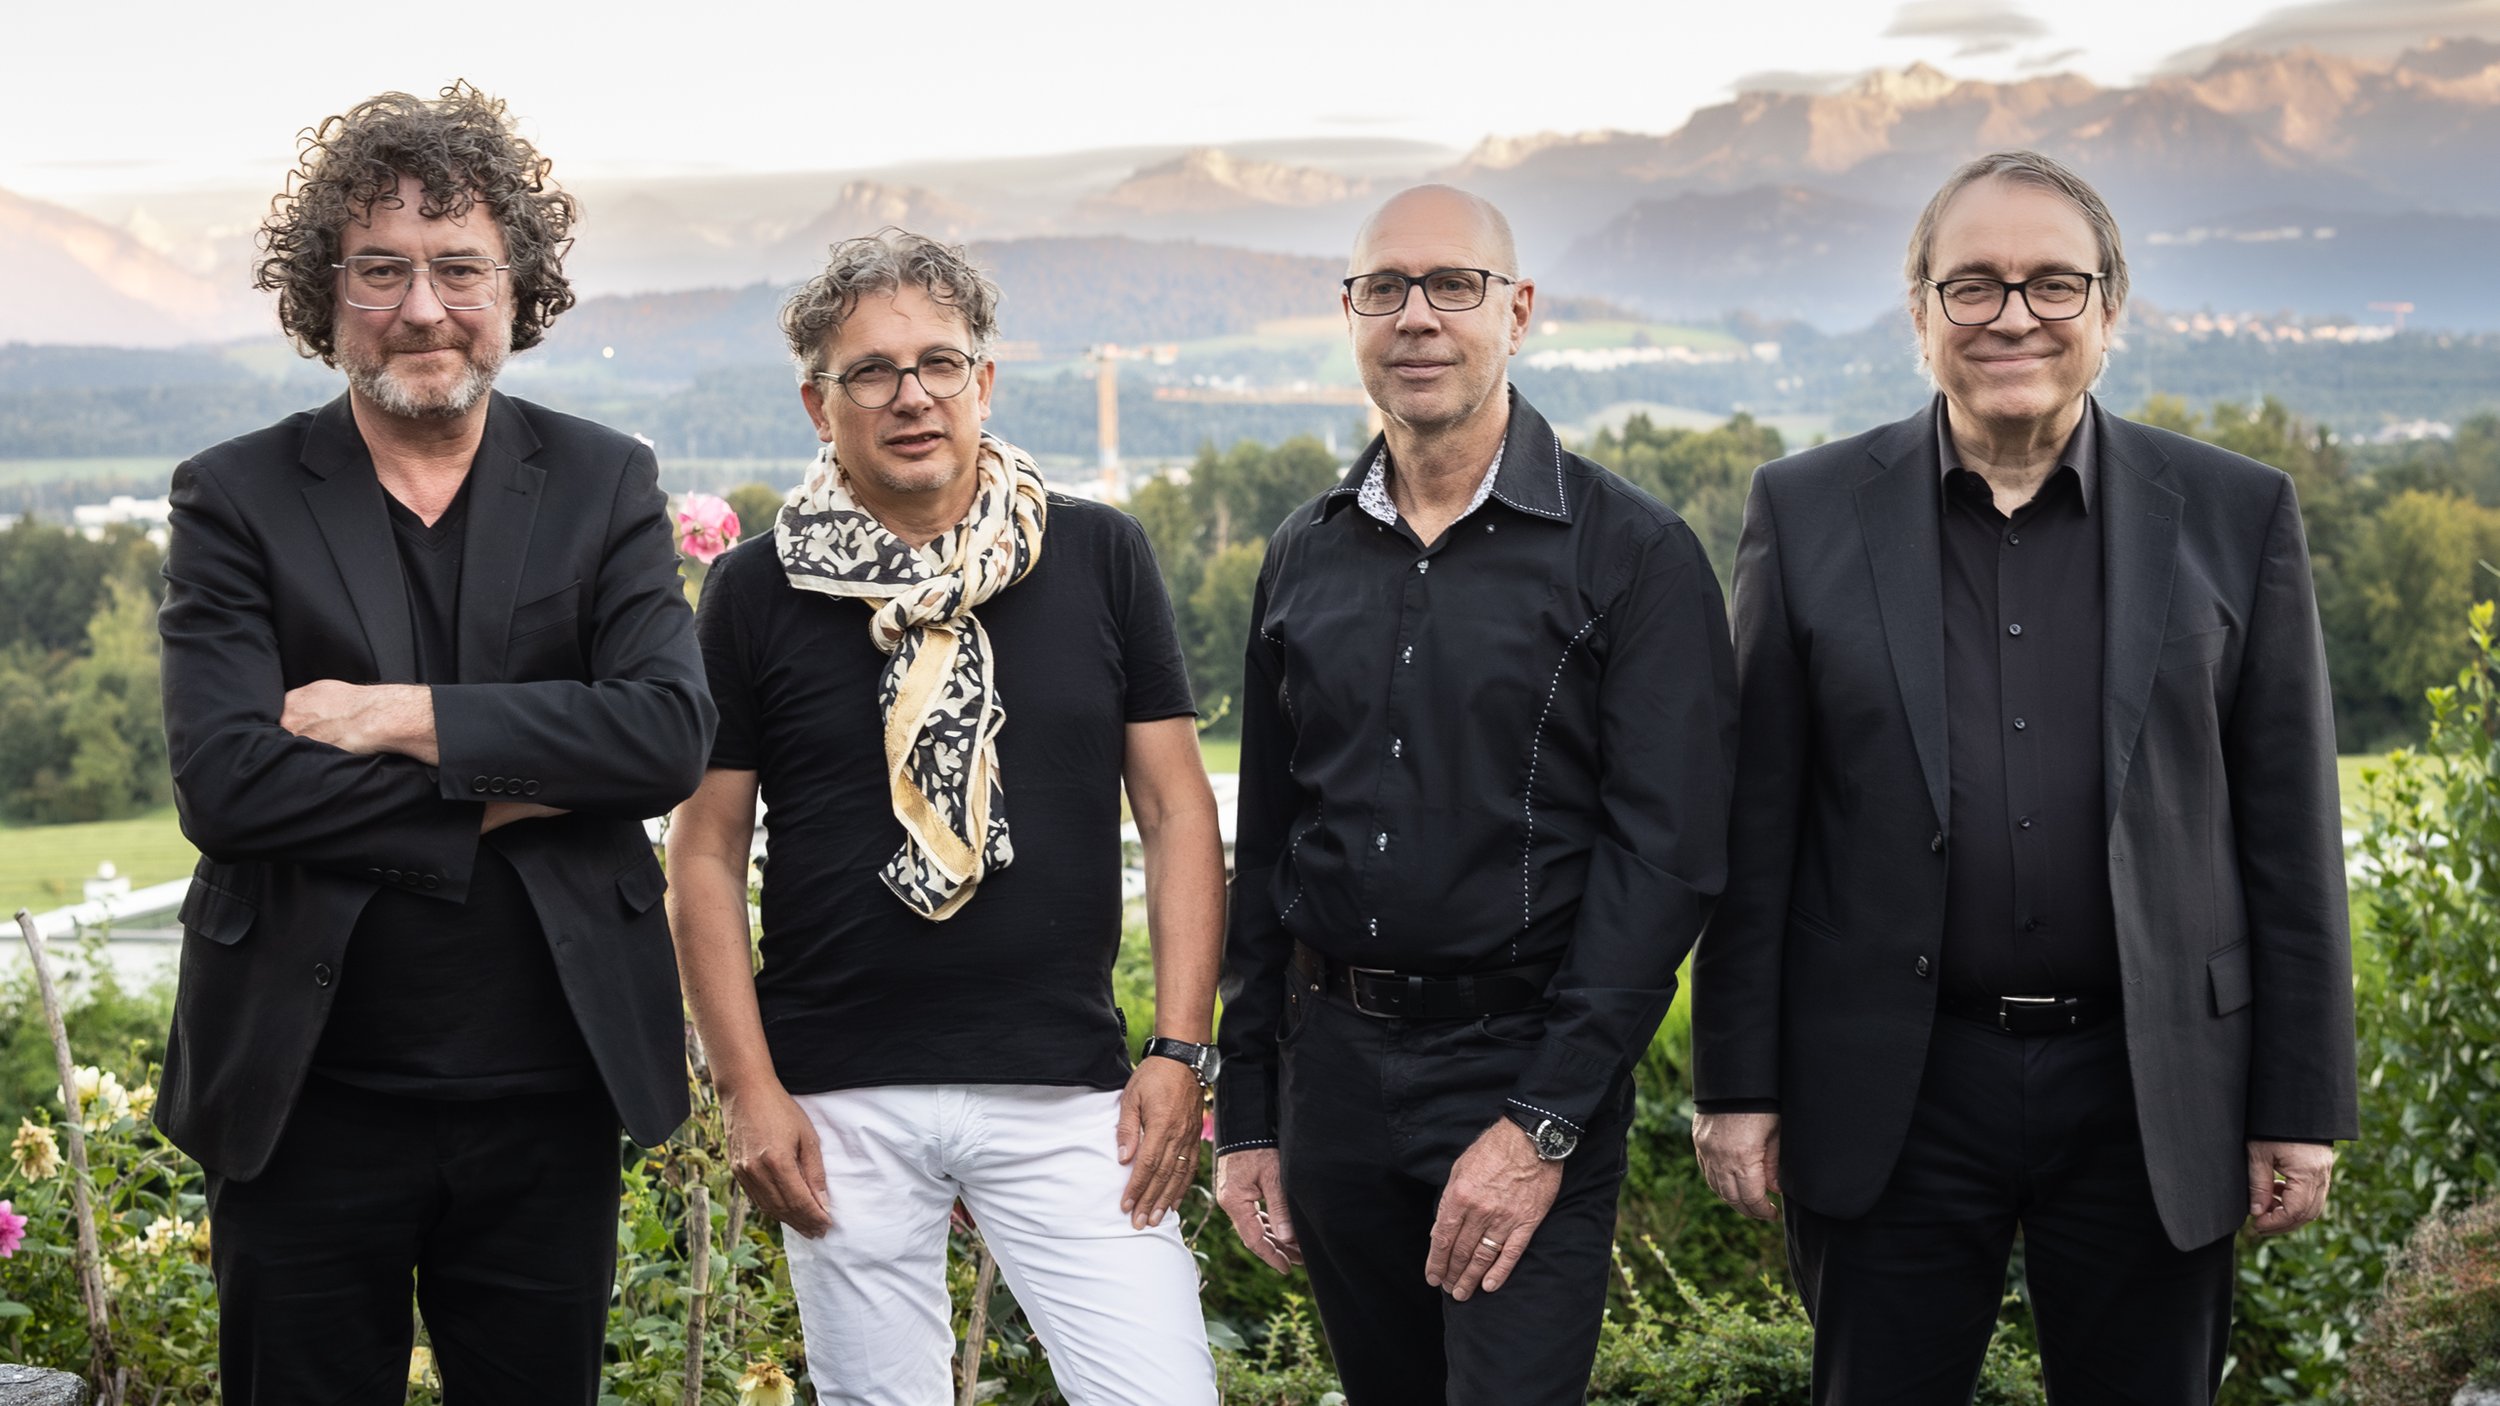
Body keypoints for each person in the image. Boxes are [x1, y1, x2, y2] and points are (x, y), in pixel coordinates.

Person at [1689, 149, 2359, 1404]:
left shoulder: (2236, 513)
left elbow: (2289, 839)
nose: (2012, 316)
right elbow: (1755, 824)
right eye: (1973, 285)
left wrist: (2300, 1099)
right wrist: (1736, 1082)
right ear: (1920, 312)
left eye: (2053, 283)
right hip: (1889, 1080)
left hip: (2152, 1085)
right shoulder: (1804, 510)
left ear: (2110, 308)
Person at [154, 83, 714, 1403]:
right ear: (325, 292)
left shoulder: (602, 480)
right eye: (381, 269)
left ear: (518, 286)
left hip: (551, 1090)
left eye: (459, 267)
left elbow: (662, 736)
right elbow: (228, 783)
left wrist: (398, 715)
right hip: (302, 1093)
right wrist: (517, 788)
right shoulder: (234, 496)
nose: (422, 307)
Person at [664, 229, 1224, 1406]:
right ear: (818, 404)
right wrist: (746, 1085)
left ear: (985, 381)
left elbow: (1178, 810)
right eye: (870, 370)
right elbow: (703, 850)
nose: (910, 395)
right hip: (839, 1097)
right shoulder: (756, 588)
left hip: (1068, 1088)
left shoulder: (1100, 555)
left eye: (938, 363)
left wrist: (1179, 1050)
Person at [1210, 185, 1739, 1404]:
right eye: (1384, 288)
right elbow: (1271, 847)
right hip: (1333, 1075)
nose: (1417, 317)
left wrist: (1543, 1119)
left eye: (1453, 284)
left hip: (1521, 1065)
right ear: (1349, 312)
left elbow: (1665, 863)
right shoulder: (1300, 552)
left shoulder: (1632, 552)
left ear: (1519, 310)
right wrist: (1249, 1108)